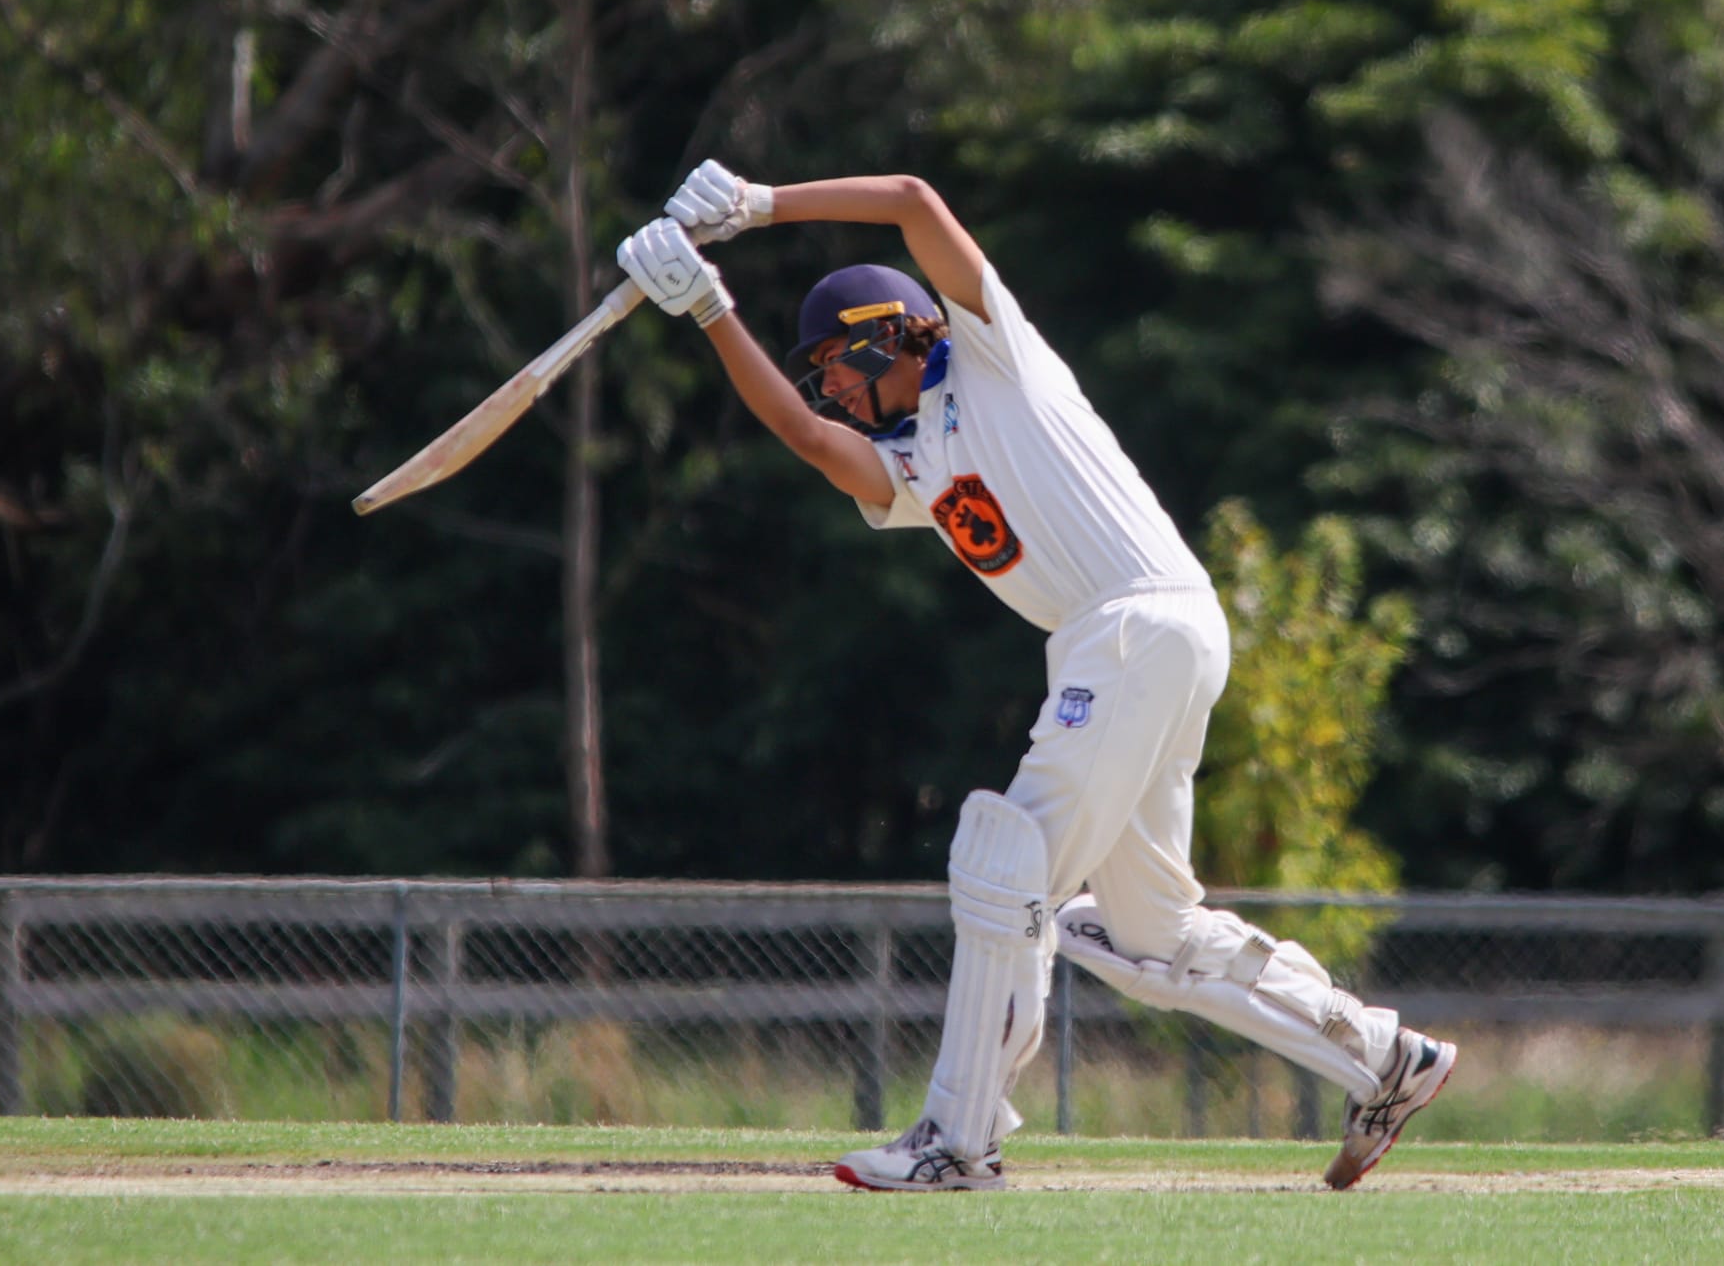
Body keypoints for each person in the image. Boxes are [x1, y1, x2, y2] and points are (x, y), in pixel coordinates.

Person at [616, 161, 1457, 1191]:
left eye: (834, 361)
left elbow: (915, 202)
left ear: (888, 330)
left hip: (1136, 621)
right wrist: (707, 307)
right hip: (1131, 637)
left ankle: (956, 1139)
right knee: (1149, 932)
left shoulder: (989, 355)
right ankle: (1383, 1056)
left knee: (1002, 861)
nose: (826, 385)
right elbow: (805, 437)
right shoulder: (917, 458)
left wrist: (756, 205)